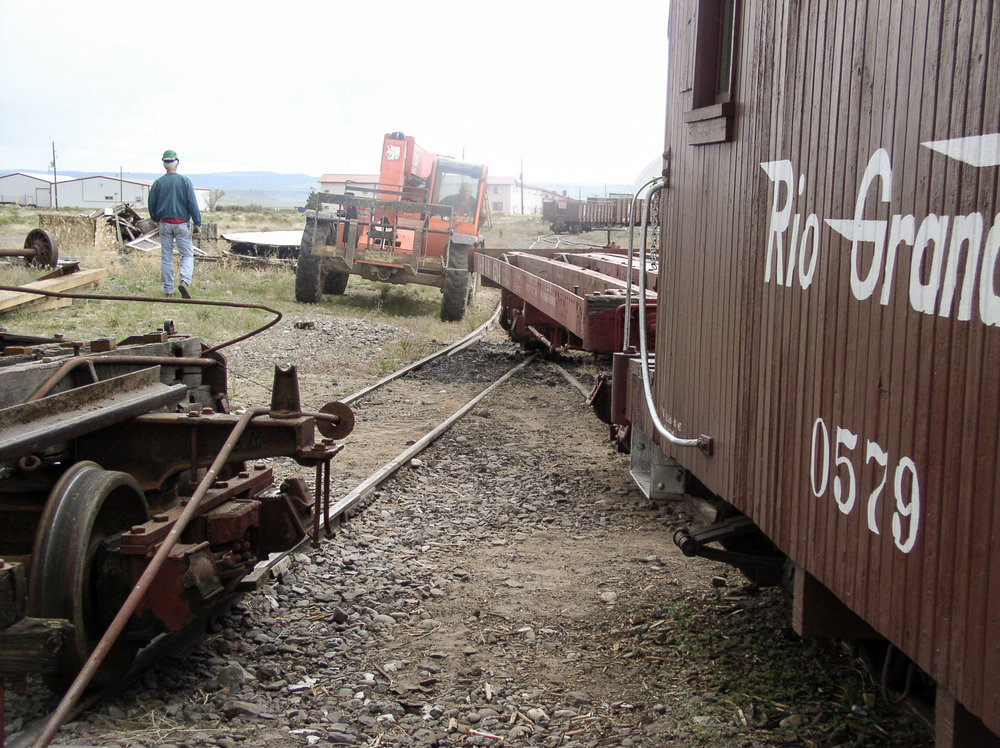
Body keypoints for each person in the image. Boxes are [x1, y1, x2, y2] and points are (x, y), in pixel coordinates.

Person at [148, 149, 202, 298]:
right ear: (177, 162)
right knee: (187, 256)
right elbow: (192, 203)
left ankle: (168, 290)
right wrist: (198, 222)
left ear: (164, 163)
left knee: (166, 257)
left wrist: (156, 219)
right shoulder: (184, 181)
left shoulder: (158, 183)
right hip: (182, 224)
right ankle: (184, 280)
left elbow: (151, 204)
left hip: (165, 224)